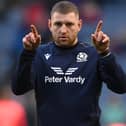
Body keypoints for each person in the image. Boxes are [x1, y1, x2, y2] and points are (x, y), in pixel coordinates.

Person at [11, 1, 126, 126]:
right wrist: (28, 53)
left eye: (69, 24)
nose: (63, 30)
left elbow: (120, 87)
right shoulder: (39, 54)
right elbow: (18, 89)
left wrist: (104, 53)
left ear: (79, 25)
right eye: (58, 24)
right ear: (50, 25)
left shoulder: (93, 54)